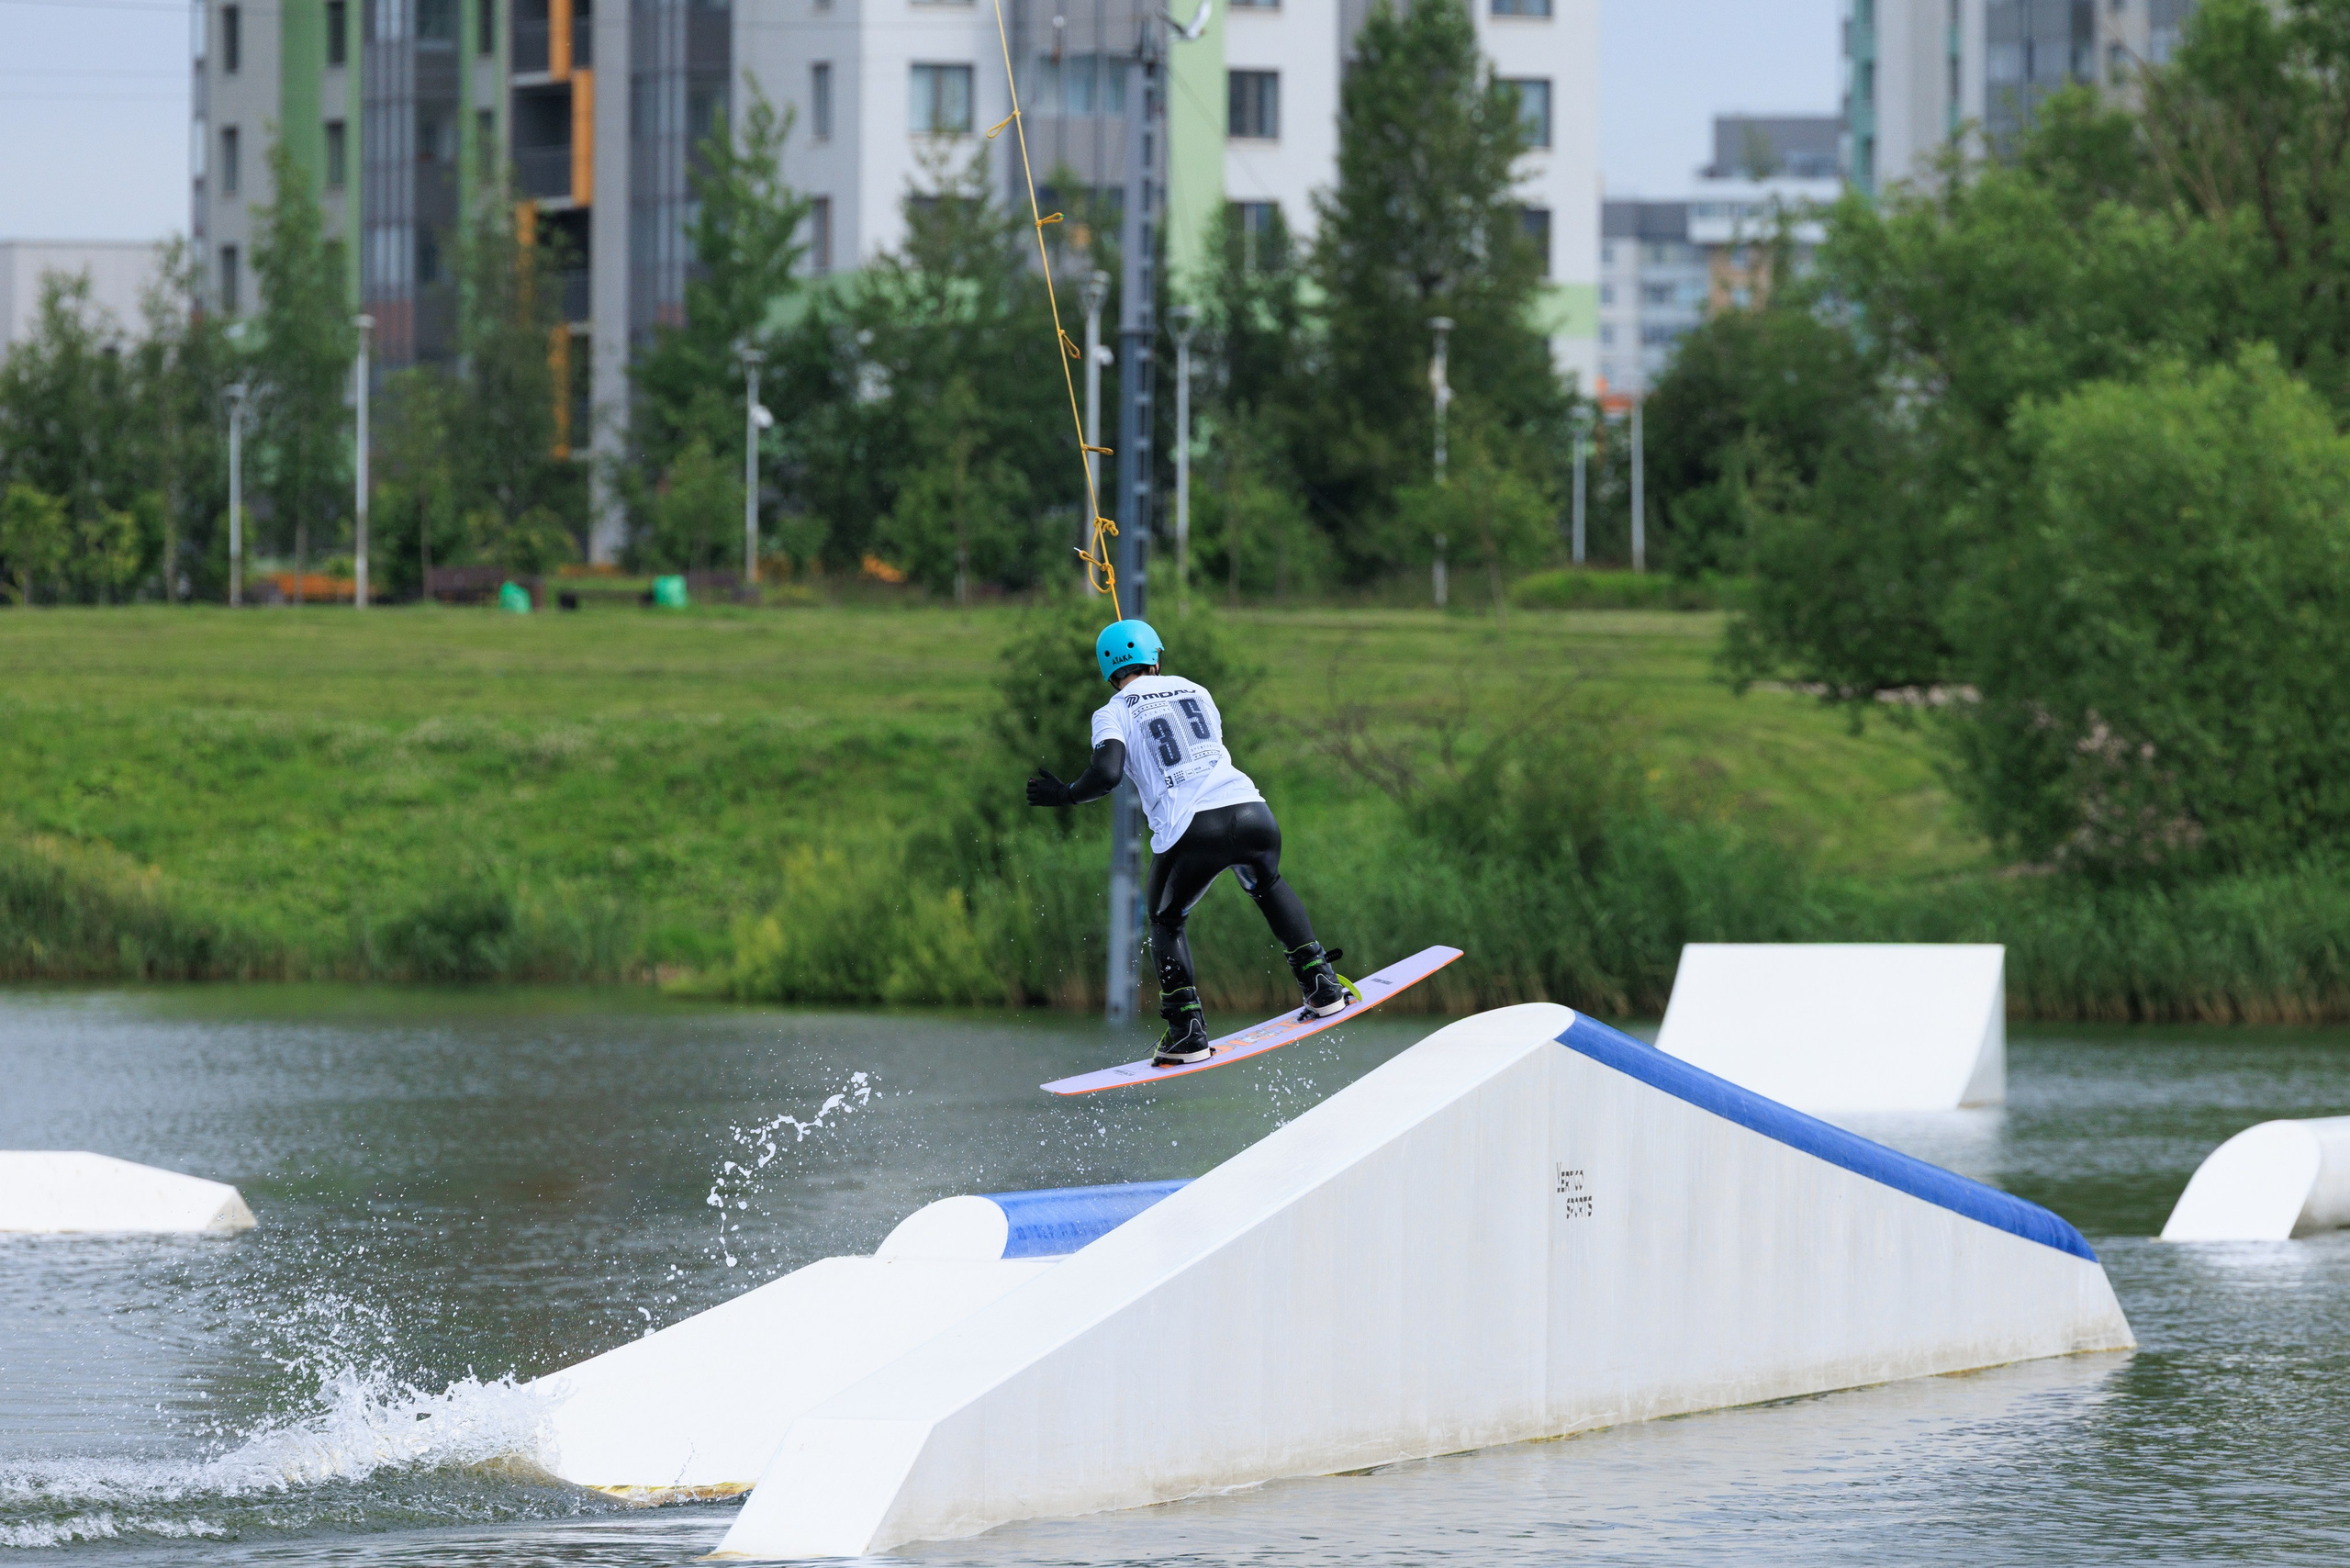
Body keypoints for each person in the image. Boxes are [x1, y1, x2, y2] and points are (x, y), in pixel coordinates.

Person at [1025, 618, 1353, 1066]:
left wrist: (1063, 794)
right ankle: (1321, 983)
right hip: (1253, 812)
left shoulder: (1112, 711)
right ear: (1156, 658)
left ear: (1109, 672)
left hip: (1192, 830)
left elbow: (1106, 774)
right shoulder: (1198, 690)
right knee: (1267, 883)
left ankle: (1187, 1031)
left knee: (1165, 920)